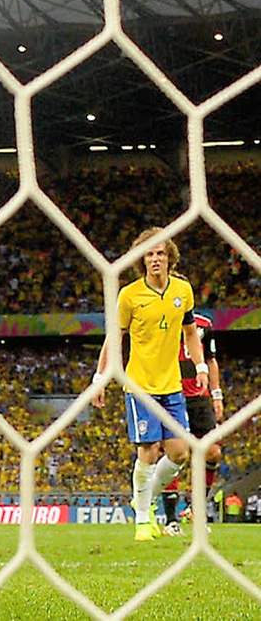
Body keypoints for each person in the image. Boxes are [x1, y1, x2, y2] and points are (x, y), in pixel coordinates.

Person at [91, 227, 204, 542]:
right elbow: (116, 338)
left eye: (161, 253)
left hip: (172, 386)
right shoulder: (129, 295)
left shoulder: (183, 291)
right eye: (150, 254)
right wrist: (100, 378)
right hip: (139, 385)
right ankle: (143, 520)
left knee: (180, 453)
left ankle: (143, 497)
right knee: (148, 452)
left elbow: (191, 332)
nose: (156, 259)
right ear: (142, 260)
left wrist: (201, 366)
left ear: (170, 257)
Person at [158, 312, 224, 535]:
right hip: (171, 395)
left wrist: (216, 394)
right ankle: (170, 520)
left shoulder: (204, 324)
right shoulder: (161, 319)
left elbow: (211, 360)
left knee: (213, 452)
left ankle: (196, 509)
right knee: (176, 454)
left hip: (199, 398)